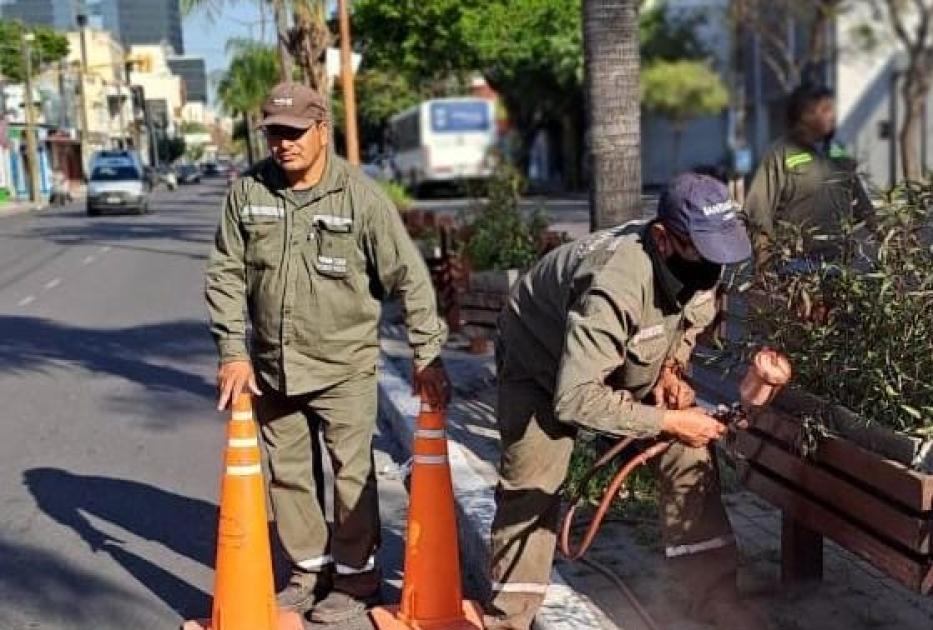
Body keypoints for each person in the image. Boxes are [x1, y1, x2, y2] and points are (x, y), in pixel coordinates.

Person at [204, 82, 450, 624]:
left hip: (343, 367)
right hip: (272, 366)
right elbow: (225, 273)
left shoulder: (360, 199)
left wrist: (426, 354)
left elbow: (409, 277)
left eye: (294, 133)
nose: (283, 144)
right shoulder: (248, 195)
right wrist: (232, 351)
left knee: (350, 474)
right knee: (289, 474)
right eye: (274, 133)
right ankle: (309, 571)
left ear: (322, 131)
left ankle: (358, 577)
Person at [486, 173, 766, 630]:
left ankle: (714, 596)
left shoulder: (703, 263)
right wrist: (669, 421)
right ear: (663, 239)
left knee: (690, 455)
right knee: (533, 480)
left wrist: (672, 372)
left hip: (620, 352)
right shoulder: (613, 285)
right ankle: (508, 617)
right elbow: (574, 399)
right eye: (704, 252)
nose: (714, 268)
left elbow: (687, 326)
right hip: (541, 362)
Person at [743, 84, 874, 259]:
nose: (833, 116)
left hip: (839, 263)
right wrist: (764, 262)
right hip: (795, 265)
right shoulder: (780, 154)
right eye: (826, 110)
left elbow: (861, 203)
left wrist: (890, 239)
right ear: (804, 115)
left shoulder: (838, 153)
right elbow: (758, 211)